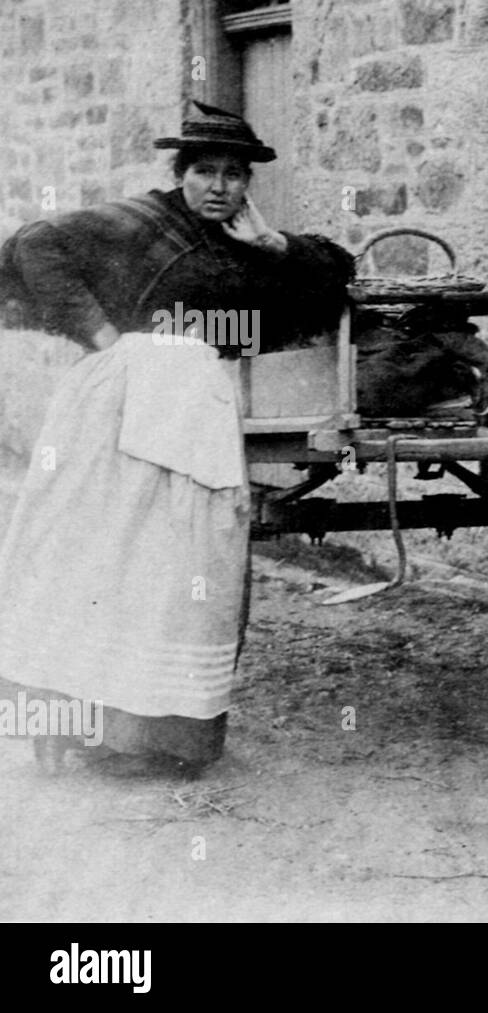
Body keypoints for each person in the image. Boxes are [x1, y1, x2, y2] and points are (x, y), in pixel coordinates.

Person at [0, 101, 353, 777]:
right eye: (205, 172)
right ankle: (73, 724)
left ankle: (155, 736)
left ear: (249, 182)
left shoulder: (245, 242)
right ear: (180, 174)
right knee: (104, 564)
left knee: (185, 567)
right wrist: (106, 339)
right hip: (120, 408)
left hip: (197, 412)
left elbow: (336, 269)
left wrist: (273, 246)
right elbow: (36, 243)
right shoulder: (141, 223)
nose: (219, 187)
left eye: (233, 174)